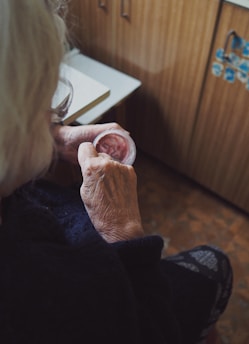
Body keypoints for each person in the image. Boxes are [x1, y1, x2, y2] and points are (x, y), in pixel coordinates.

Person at [0, 1, 233, 343]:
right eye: (43, 109)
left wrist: (52, 139)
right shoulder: (45, 291)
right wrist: (122, 230)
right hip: (137, 299)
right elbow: (152, 331)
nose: (52, 118)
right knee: (216, 263)